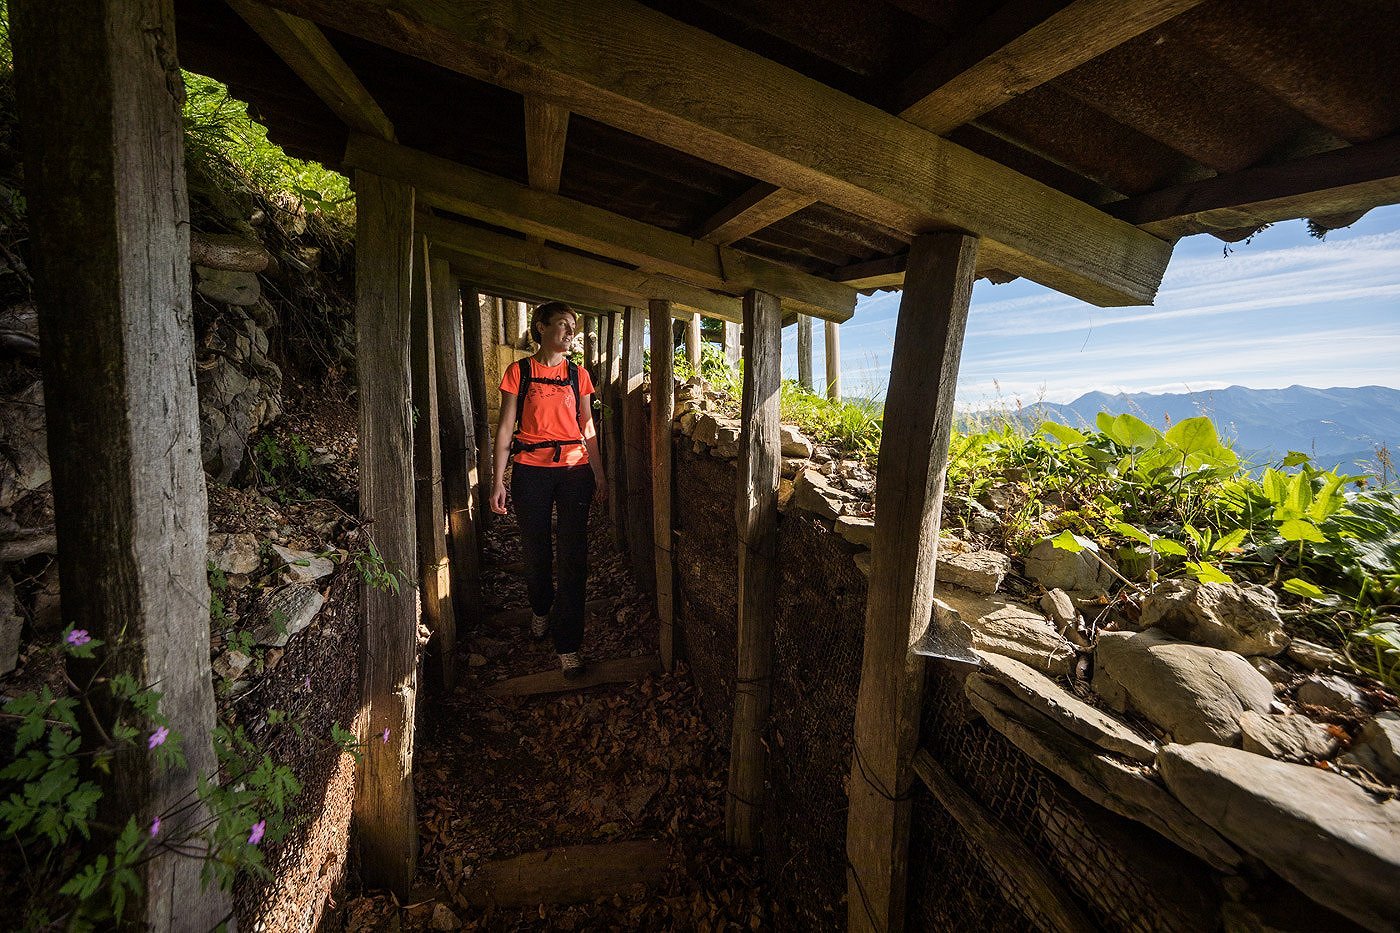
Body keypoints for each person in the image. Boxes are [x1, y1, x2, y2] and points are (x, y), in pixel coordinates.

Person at [490, 302, 608, 678]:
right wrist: (498, 480)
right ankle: (541, 607)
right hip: (531, 472)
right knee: (536, 550)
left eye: (572, 326)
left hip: (575, 471)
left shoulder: (579, 375)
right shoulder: (519, 372)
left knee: (574, 557)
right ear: (540, 328)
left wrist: (599, 474)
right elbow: (506, 427)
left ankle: (568, 645)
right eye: (562, 324)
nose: (569, 332)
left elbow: (587, 425)